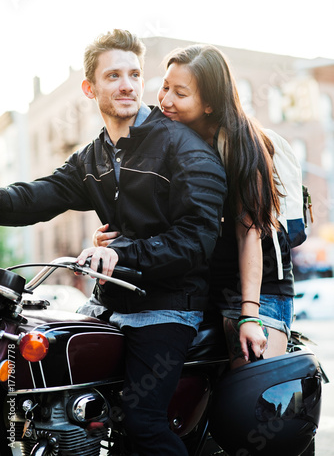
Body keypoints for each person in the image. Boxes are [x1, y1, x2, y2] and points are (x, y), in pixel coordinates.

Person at [0, 30, 227, 455]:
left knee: (141, 422)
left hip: (168, 306)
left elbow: (197, 239)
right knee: (49, 393)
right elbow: (35, 197)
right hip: (110, 304)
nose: (127, 84)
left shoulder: (183, 147)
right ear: (90, 88)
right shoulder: (94, 157)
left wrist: (119, 251)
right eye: (113, 75)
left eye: (135, 74)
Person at [94, 43, 294, 370]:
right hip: (199, 279)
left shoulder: (243, 145)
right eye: (164, 87)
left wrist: (249, 315)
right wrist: (111, 242)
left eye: (180, 93)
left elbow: (249, 236)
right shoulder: (163, 137)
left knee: (247, 389)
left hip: (258, 282)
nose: (166, 100)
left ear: (210, 104)